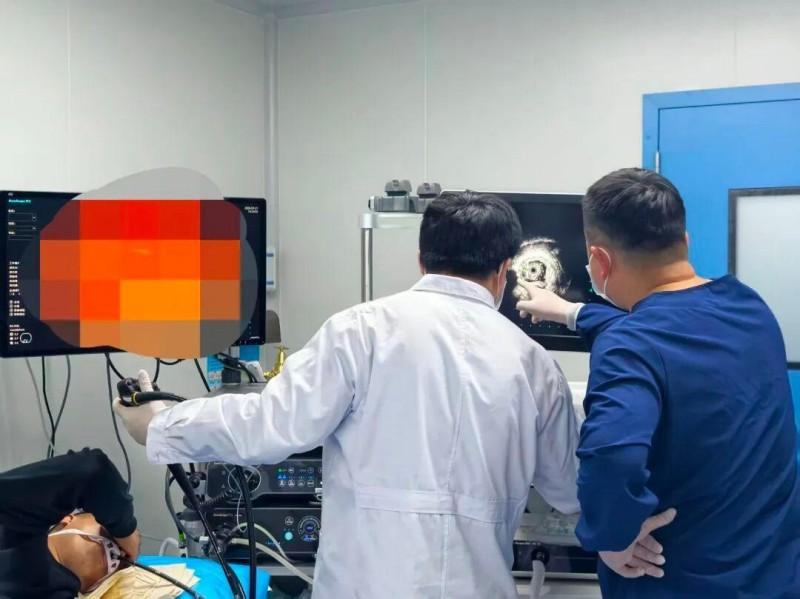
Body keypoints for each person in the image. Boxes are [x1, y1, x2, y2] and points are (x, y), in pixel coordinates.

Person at [113, 191, 585, 598]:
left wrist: (160, 423)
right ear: (504, 270)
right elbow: (570, 490)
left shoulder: (361, 331)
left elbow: (268, 426)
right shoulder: (534, 364)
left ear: (421, 261)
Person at [516, 168, 800, 598]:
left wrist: (611, 537)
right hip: (772, 575)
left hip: (677, 580)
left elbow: (612, 459)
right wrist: (571, 312)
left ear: (600, 262)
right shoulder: (748, 307)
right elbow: (665, 333)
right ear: (684, 240)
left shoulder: (628, 346)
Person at [0, 448, 140, 598]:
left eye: (122, 566)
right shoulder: (16, 519)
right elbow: (93, 472)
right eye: (108, 533)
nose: (119, 554)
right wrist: (126, 532)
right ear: (66, 519)